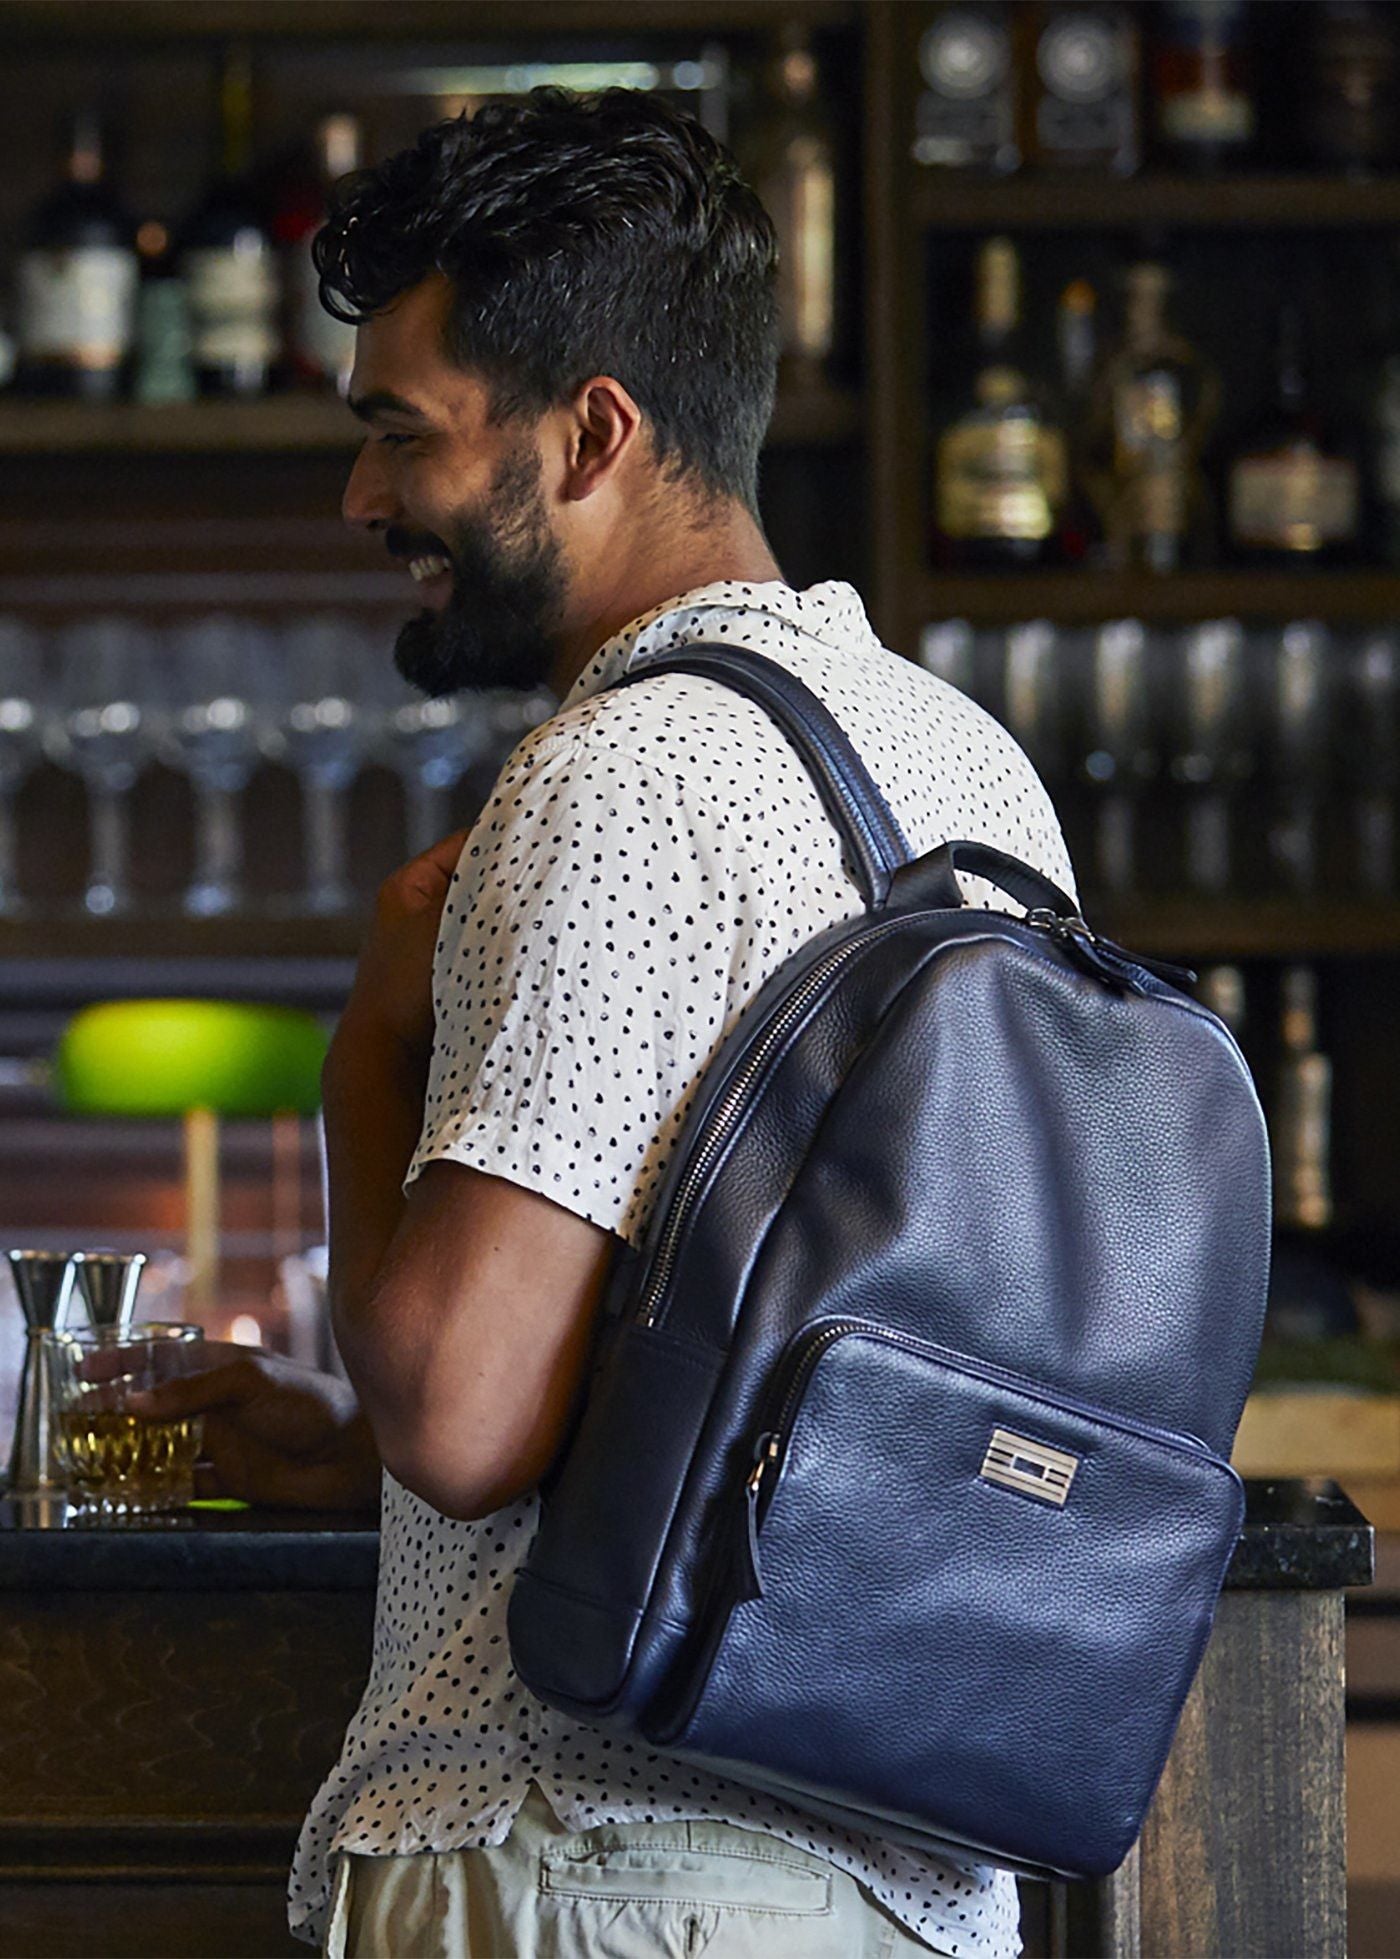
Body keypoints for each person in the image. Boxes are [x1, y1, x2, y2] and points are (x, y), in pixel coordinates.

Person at [140, 88, 1075, 1959]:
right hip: (901, 1879)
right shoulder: (967, 769)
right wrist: (373, 1466)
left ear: (591, 434)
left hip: (596, 1864)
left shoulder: (618, 776)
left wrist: (365, 1055)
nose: (362, 502)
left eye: (398, 435)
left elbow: (463, 1418)